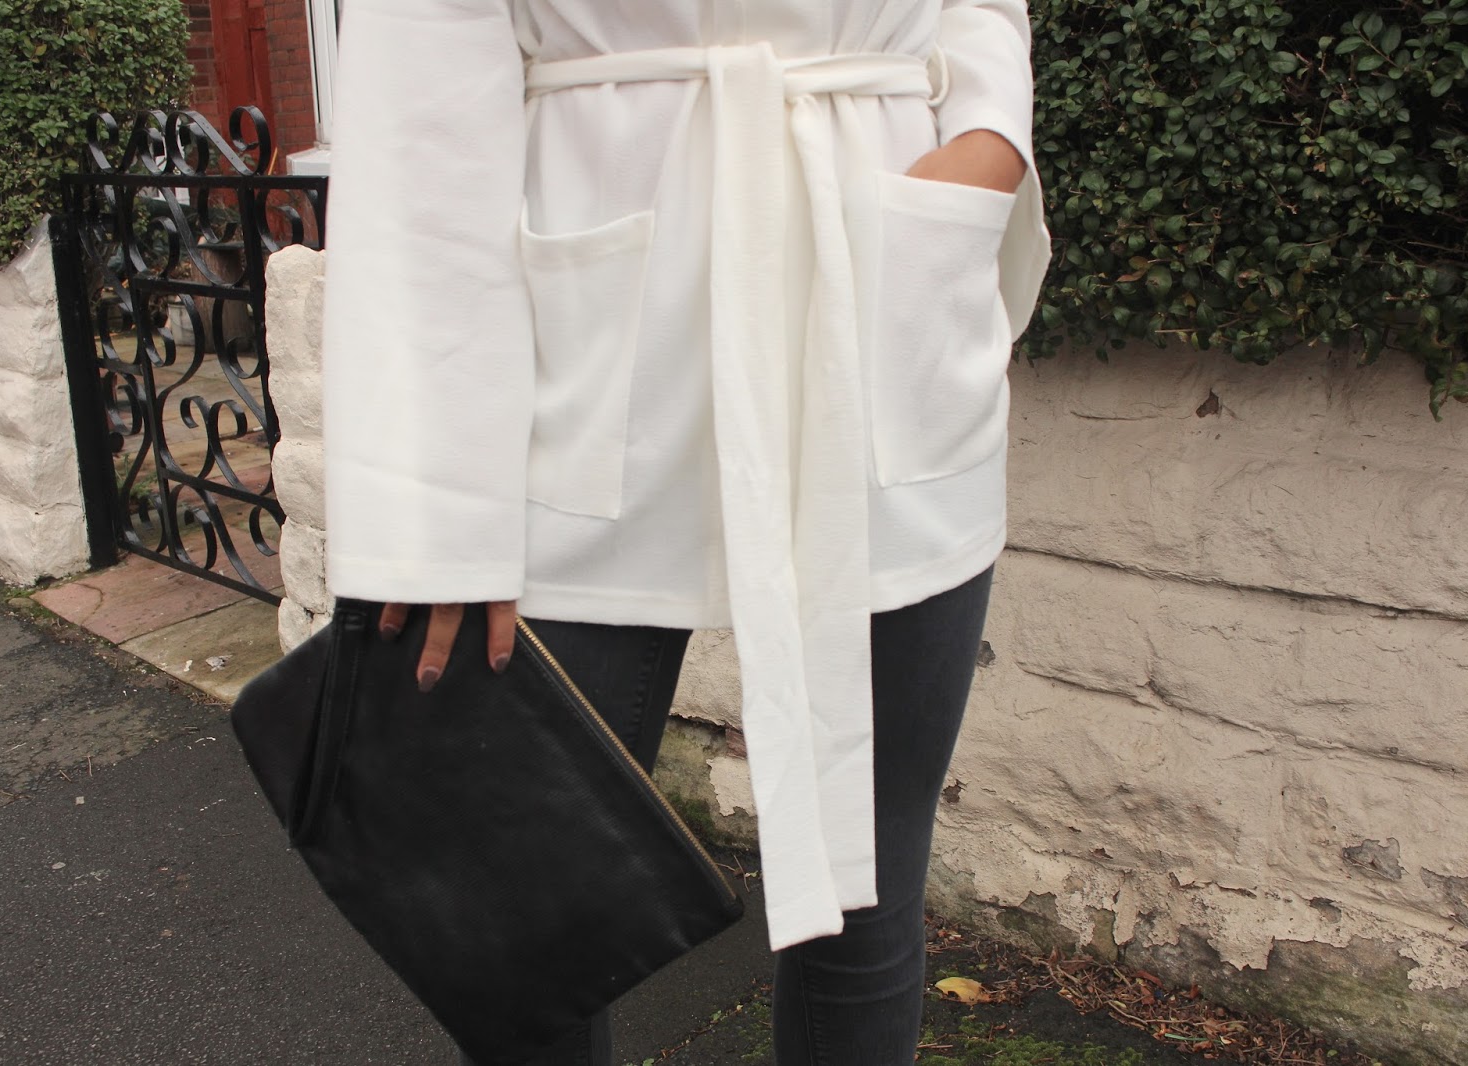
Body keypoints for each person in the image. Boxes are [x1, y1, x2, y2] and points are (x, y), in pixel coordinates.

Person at [318, 1, 1050, 1062]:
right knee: (532, 922)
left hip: (883, 302)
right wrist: (435, 500)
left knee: (869, 894)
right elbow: (413, 113)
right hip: (581, 367)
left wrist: (987, 141)